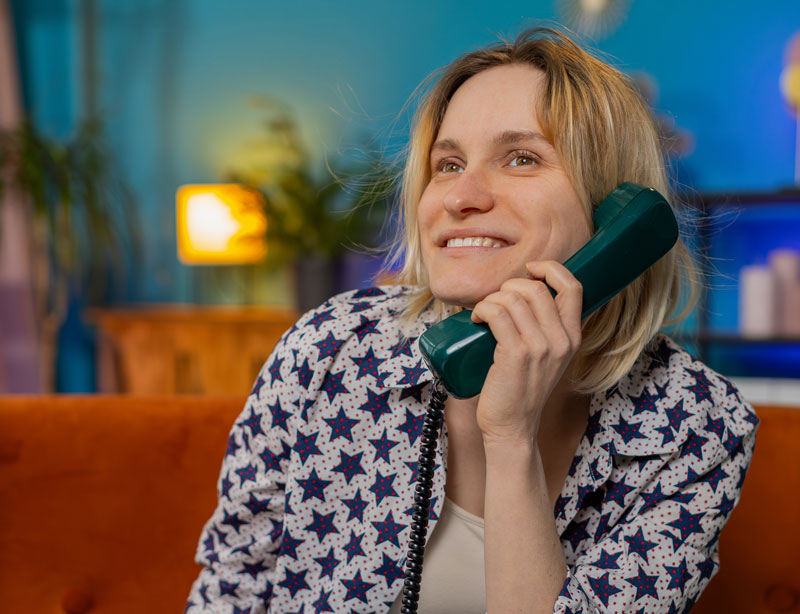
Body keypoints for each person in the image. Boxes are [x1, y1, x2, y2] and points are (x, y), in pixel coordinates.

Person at [186, 27, 758, 614]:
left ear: (616, 215)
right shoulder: (328, 351)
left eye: (522, 158)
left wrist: (511, 439)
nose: (461, 196)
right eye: (448, 164)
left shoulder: (696, 427)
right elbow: (230, 591)